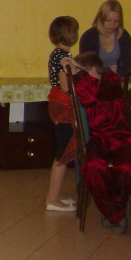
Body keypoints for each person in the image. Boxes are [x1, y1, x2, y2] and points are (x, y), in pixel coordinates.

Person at [73, 52, 131, 232]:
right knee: (93, 167)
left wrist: (80, 73)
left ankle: (114, 212)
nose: (78, 75)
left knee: (126, 168)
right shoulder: (85, 86)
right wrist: (78, 72)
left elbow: (97, 94)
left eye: (82, 71)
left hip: (121, 138)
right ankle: (116, 214)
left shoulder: (112, 81)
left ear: (93, 71)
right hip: (98, 140)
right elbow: (88, 98)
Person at [44, 16, 79, 213]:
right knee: (62, 154)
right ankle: (53, 199)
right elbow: (66, 86)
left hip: (59, 104)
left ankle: (54, 196)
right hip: (63, 107)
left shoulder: (58, 54)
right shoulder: (62, 57)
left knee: (62, 152)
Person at [79, 0, 131, 79]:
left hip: (116, 80)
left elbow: (127, 63)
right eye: (108, 20)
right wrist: (107, 73)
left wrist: (118, 73)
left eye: (116, 21)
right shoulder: (89, 36)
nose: (112, 25)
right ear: (101, 18)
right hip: (94, 79)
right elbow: (86, 64)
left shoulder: (124, 36)